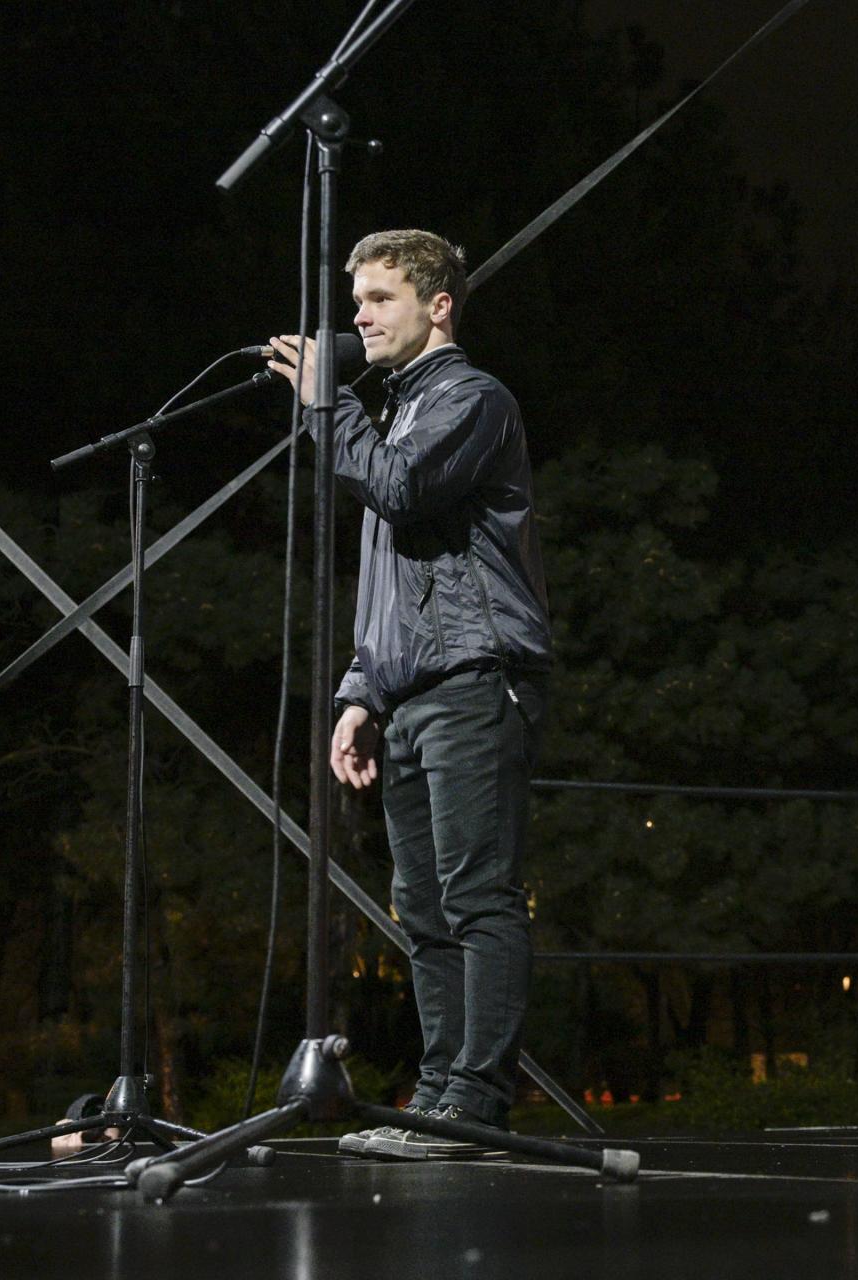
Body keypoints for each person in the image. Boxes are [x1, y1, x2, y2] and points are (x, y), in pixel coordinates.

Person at [268, 230, 552, 1159]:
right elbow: (387, 577)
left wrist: (329, 405)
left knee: (477, 894)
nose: (357, 315)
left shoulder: (471, 398)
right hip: (408, 692)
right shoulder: (391, 411)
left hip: (475, 676)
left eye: (379, 298)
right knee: (421, 904)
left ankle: (476, 1100)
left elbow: (399, 491)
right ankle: (436, 1091)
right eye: (357, 299)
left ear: (437, 306)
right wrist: (359, 692)